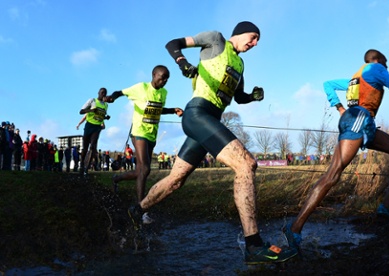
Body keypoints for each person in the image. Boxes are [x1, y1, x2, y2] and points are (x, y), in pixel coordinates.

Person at [127, 21, 297, 265]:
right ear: (239, 33)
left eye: (258, 40)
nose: (255, 43)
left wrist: (253, 97)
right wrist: (182, 62)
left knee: (175, 181)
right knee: (246, 164)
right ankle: (254, 245)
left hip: (209, 122)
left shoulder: (240, 64)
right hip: (197, 114)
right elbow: (172, 43)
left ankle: (138, 210)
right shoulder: (215, 39)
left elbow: (238, 97)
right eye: (253, 37)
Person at [282, 49, 389, 251]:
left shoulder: (356, 79)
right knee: (332, 176)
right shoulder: (375, 68)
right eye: (386, 62)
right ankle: (295, 228)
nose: (386, 67)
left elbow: (328, 85)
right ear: (377, 60)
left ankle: (386, 206)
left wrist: (340, 108)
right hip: (358, 121)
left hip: (362, 122)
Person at [106, 65, 183, 204]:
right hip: (139, 131)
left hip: (152, 133)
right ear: (154, 75)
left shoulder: (163, 93)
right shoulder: (141, 88)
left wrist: (173, 110)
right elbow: (120, 92)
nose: (164, 81)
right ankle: (141, 207)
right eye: (162, 77)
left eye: (167, 79)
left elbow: (158, 110)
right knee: (145, 169)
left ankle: (117, 178)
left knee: (141, 171)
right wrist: (112, 97)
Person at [79, 88, 110, 174]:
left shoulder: (106, 105)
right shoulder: (92, 100)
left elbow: (101, 116)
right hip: (89, 125)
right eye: (102, 92)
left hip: (97, 127)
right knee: (85, 148)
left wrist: (106, 118)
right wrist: (91, 110)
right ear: (98, 93)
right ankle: (81, 164)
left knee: (93, 146)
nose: (103, 94)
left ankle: (87, 167)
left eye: (105, 93)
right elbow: (81, 111)